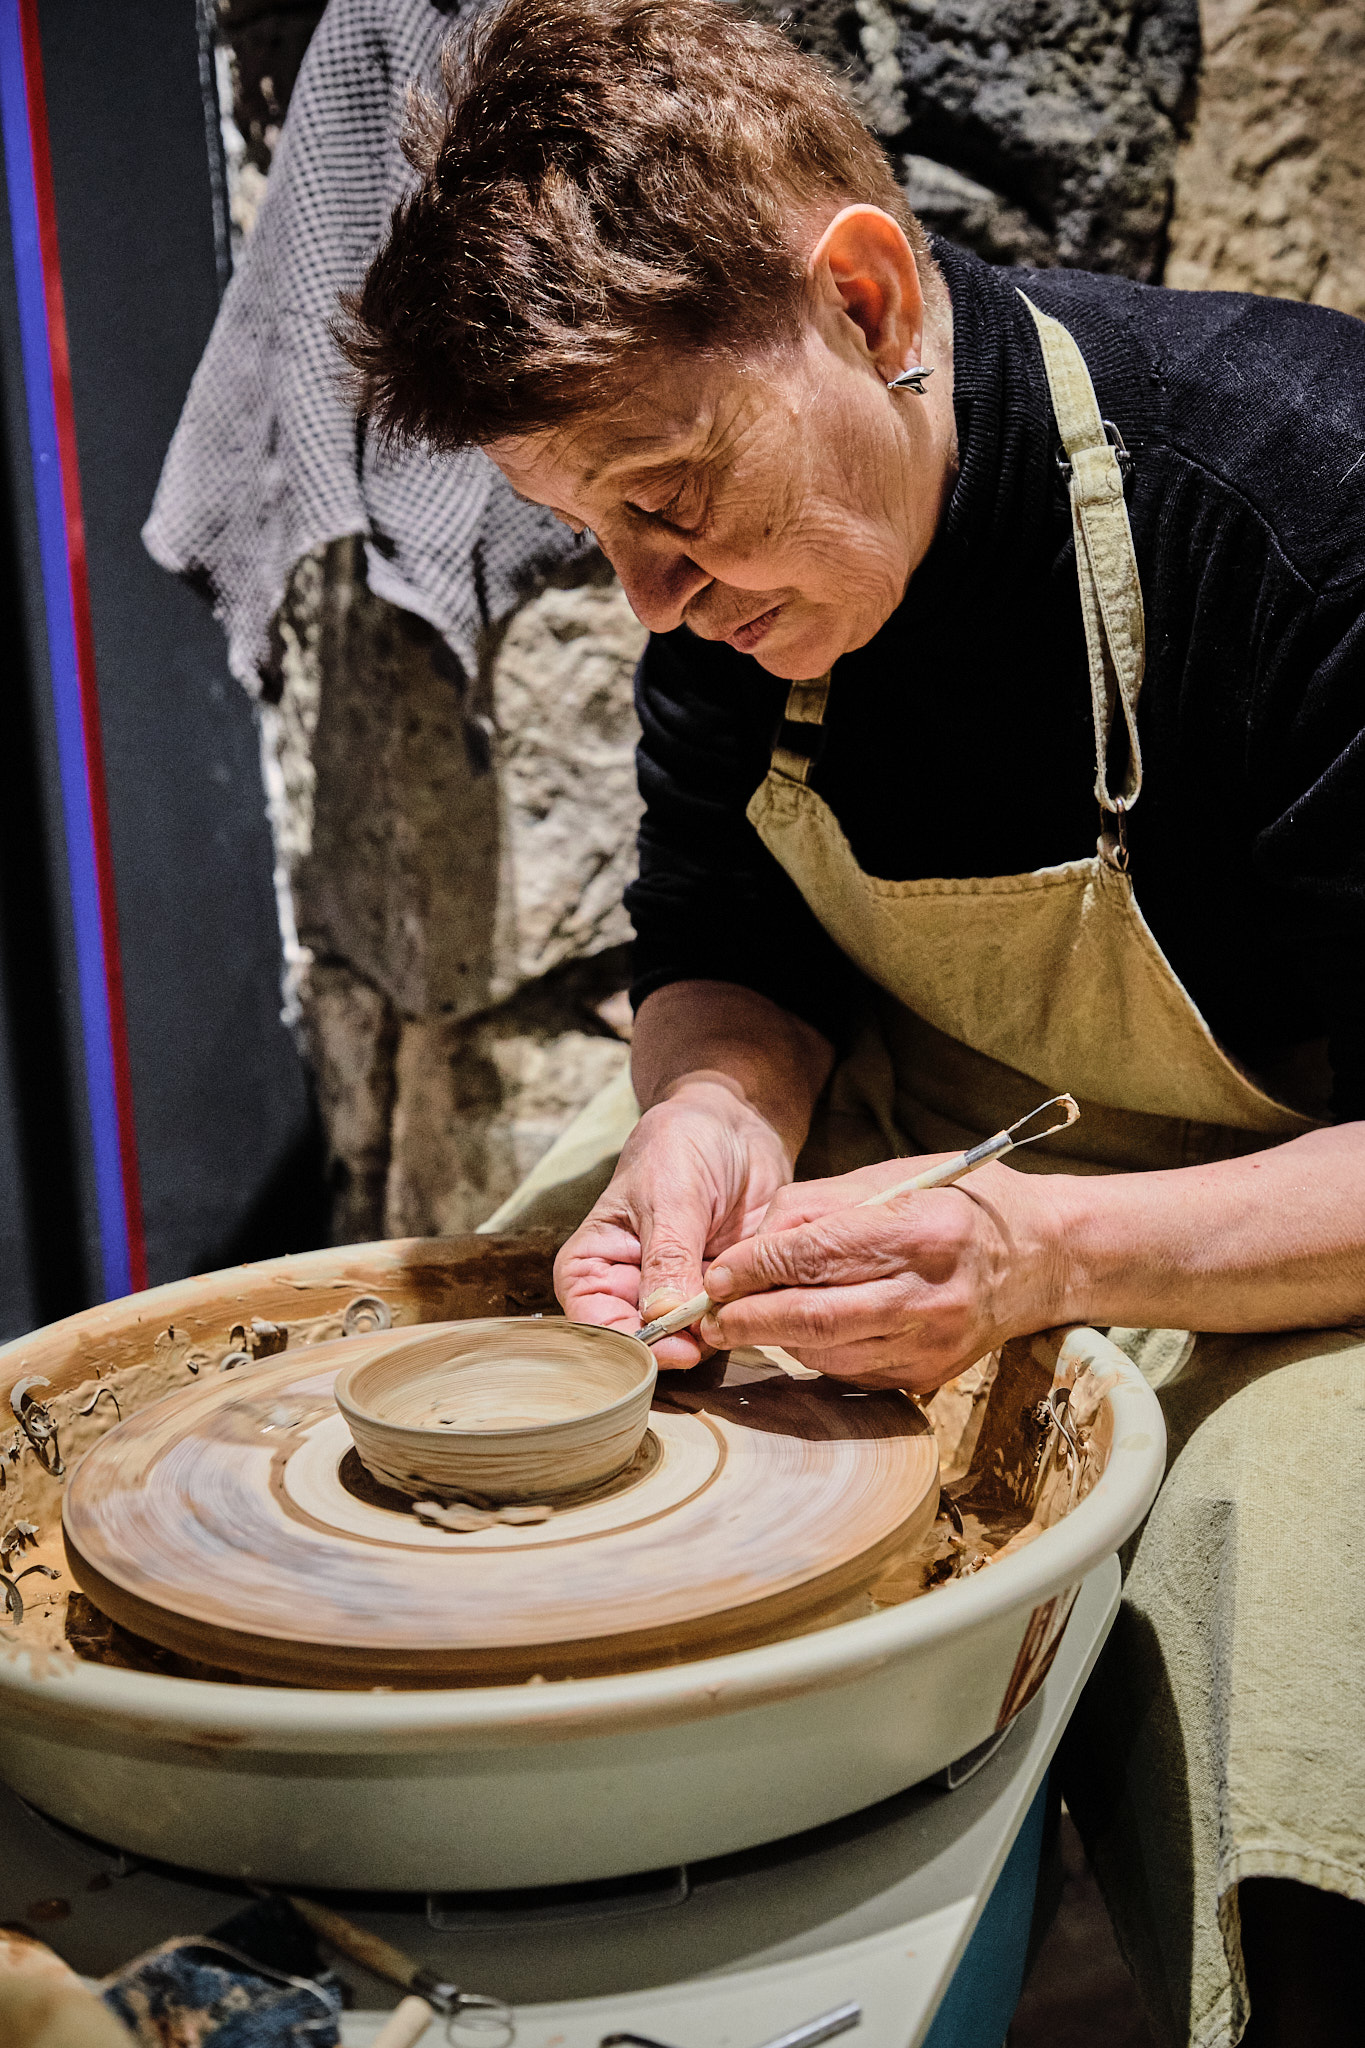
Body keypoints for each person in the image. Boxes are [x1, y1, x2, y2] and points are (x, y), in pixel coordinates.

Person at [339, 3, 1365, 2042]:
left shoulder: (1305, 502)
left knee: (1289, 1595)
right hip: (949, 1123)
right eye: (591, 532)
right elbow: (723, 934)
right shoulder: (731, 584)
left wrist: (1043, 1257)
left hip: (1299, 1208)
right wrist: (707, 1118)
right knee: (551, 1330)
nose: (649, 596)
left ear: (866, 299)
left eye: (668, 495)